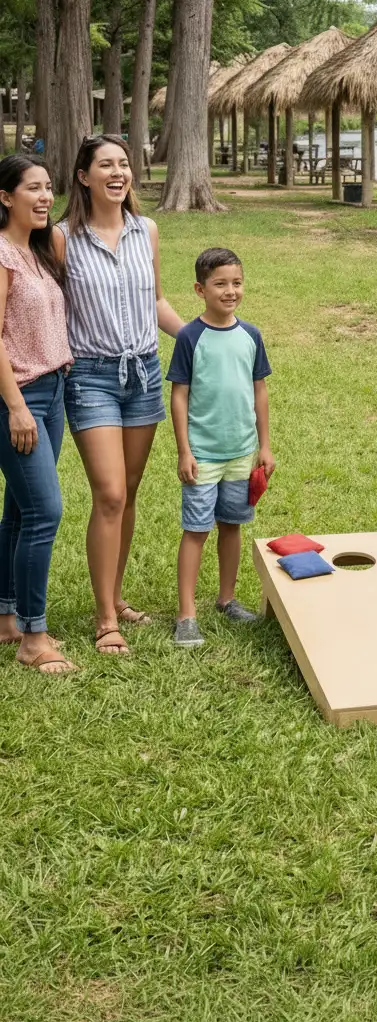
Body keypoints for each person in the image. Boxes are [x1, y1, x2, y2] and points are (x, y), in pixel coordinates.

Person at [54, 135, 183, 655]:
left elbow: (155, 300)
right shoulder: (62, 238)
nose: (118, 172)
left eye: (124, 164)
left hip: (145, 373)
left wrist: (199, 333)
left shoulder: (145, 230)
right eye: (105, 164)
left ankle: (115, 595)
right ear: (83, 176)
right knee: (108, 493)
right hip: (91, 375)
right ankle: (106, 617)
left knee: (127, 492)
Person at [166, 247, 275, 648]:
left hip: (242, 453)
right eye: (220, 284)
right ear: (200, 289)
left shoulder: (251, 335)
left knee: (232, 525)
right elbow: (180, 395)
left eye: (237, 283)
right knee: (196, 530)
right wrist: (184, 450)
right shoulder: (191, 336)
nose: (231, 291)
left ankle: (227, 599)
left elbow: (259, 391)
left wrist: (264, 446)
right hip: (203, 455)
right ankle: (186, 615)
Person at [0, 157, 77, 673]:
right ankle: (34, 635)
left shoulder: (42, 250)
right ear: (6, 197)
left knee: (21, 512)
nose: (46, 197)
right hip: (18, 398)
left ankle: (6, 616)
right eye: (33, 188)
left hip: (54, 391)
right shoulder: (3, 255)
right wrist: (16, 407)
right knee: (46, 512)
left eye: (50, 188)